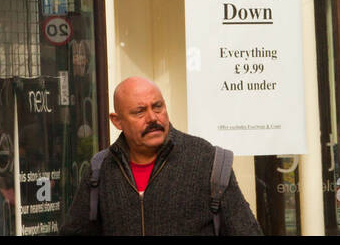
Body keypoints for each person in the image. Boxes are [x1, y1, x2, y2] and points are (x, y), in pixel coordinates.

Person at [62, 76, 262, 235]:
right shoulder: (100, 169)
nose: (152, 118)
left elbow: (245, 230)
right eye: (139, 112)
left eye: (157, 107)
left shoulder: (208, 160)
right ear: (117, 121)